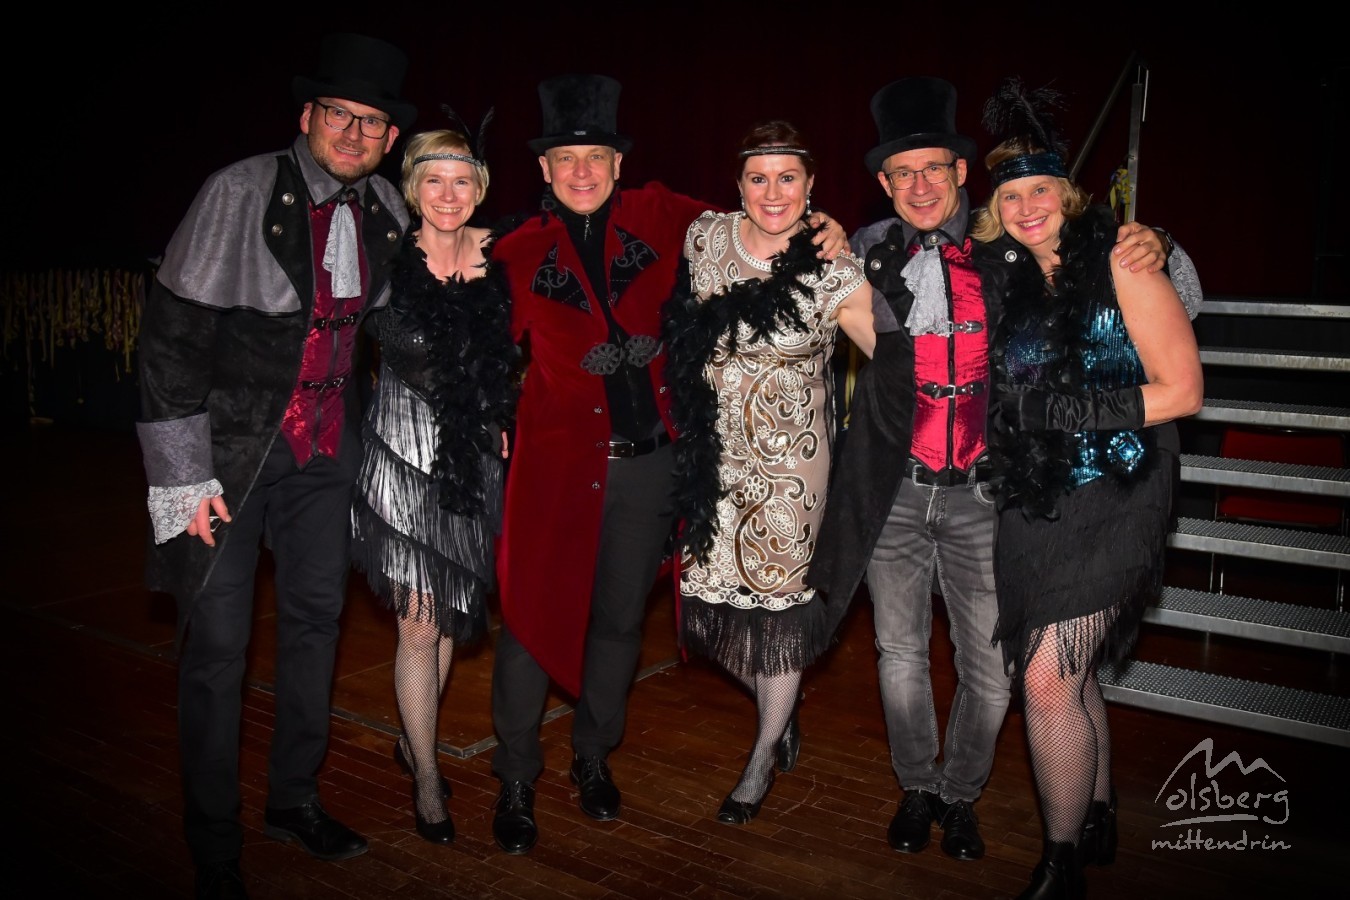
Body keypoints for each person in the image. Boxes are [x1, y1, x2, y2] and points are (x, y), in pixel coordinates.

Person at [805, 76, 1177, 864]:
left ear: (961, 173)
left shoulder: (1006, 250)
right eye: (902, 173)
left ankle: (961, 794)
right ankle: (917, 787)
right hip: (895, 491)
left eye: (933, 168)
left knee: (992, 667)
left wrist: (1157, 241)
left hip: (985, 492)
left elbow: (1114, 281)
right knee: (899, 656)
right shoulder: (863, 251)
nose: (919, 186)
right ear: (884, 184)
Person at [488, 75, 848, 855]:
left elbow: (762, 215)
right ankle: (515, 776)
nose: (582, 171)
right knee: (529, 622)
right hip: (555, 472)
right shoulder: (513, 254)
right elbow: (483, 354)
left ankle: (593, 756)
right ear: (543, 169)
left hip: (648, 468)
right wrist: (494, 417)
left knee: (620, 623)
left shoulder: (665, 218)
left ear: (620, 164)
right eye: (565, 159)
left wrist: (825, 226)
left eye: (596, 156)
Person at [134, 32, 415, 899]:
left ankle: (294, 798)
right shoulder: (238, 190)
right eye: (339, 114)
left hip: (325, 457)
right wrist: (182, 477)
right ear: (306, 114)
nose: (354, 133)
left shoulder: (387, 210)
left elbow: (396, 332)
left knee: (316, 627)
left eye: (372, 122)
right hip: (227, 457)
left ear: (390, 139)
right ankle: (213, 839)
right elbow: (170, 343)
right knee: (217, 646)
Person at [973, 77, 1203, 899]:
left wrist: (1075, 411)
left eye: (1041, 189)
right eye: (1011, 195)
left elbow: (1184, 390)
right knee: (1068, 669)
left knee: (1045, 680)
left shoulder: (1122, 262)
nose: (1027, 206)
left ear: (1067, 194)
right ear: (995, 210)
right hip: (1035, 495)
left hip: (1120, 484)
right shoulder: (1004, 280)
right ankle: (1099, 811)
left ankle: (1061, 864)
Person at [662, 121, 877, 824]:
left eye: (788, 178)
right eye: (758, 178)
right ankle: (779, 709)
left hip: (793, 471)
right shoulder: (705, 238)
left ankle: (761, 758)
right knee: (710, 616)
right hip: (712, 464)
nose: (773, 192)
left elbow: (893, 357)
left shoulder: (833, 266)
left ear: (812, 186)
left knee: (779, 619)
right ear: (738, 185)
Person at [349, 122, 518, 845]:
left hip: (472, 462)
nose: (448, 195)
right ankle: (425, 776)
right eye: (433, 180)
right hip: (401, 454)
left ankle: (412, 739)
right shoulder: (382, 260)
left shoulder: (503, 254)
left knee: (447, 613)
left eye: (461, 181)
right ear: (412, 188)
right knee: (419, 622)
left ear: (479, 187)